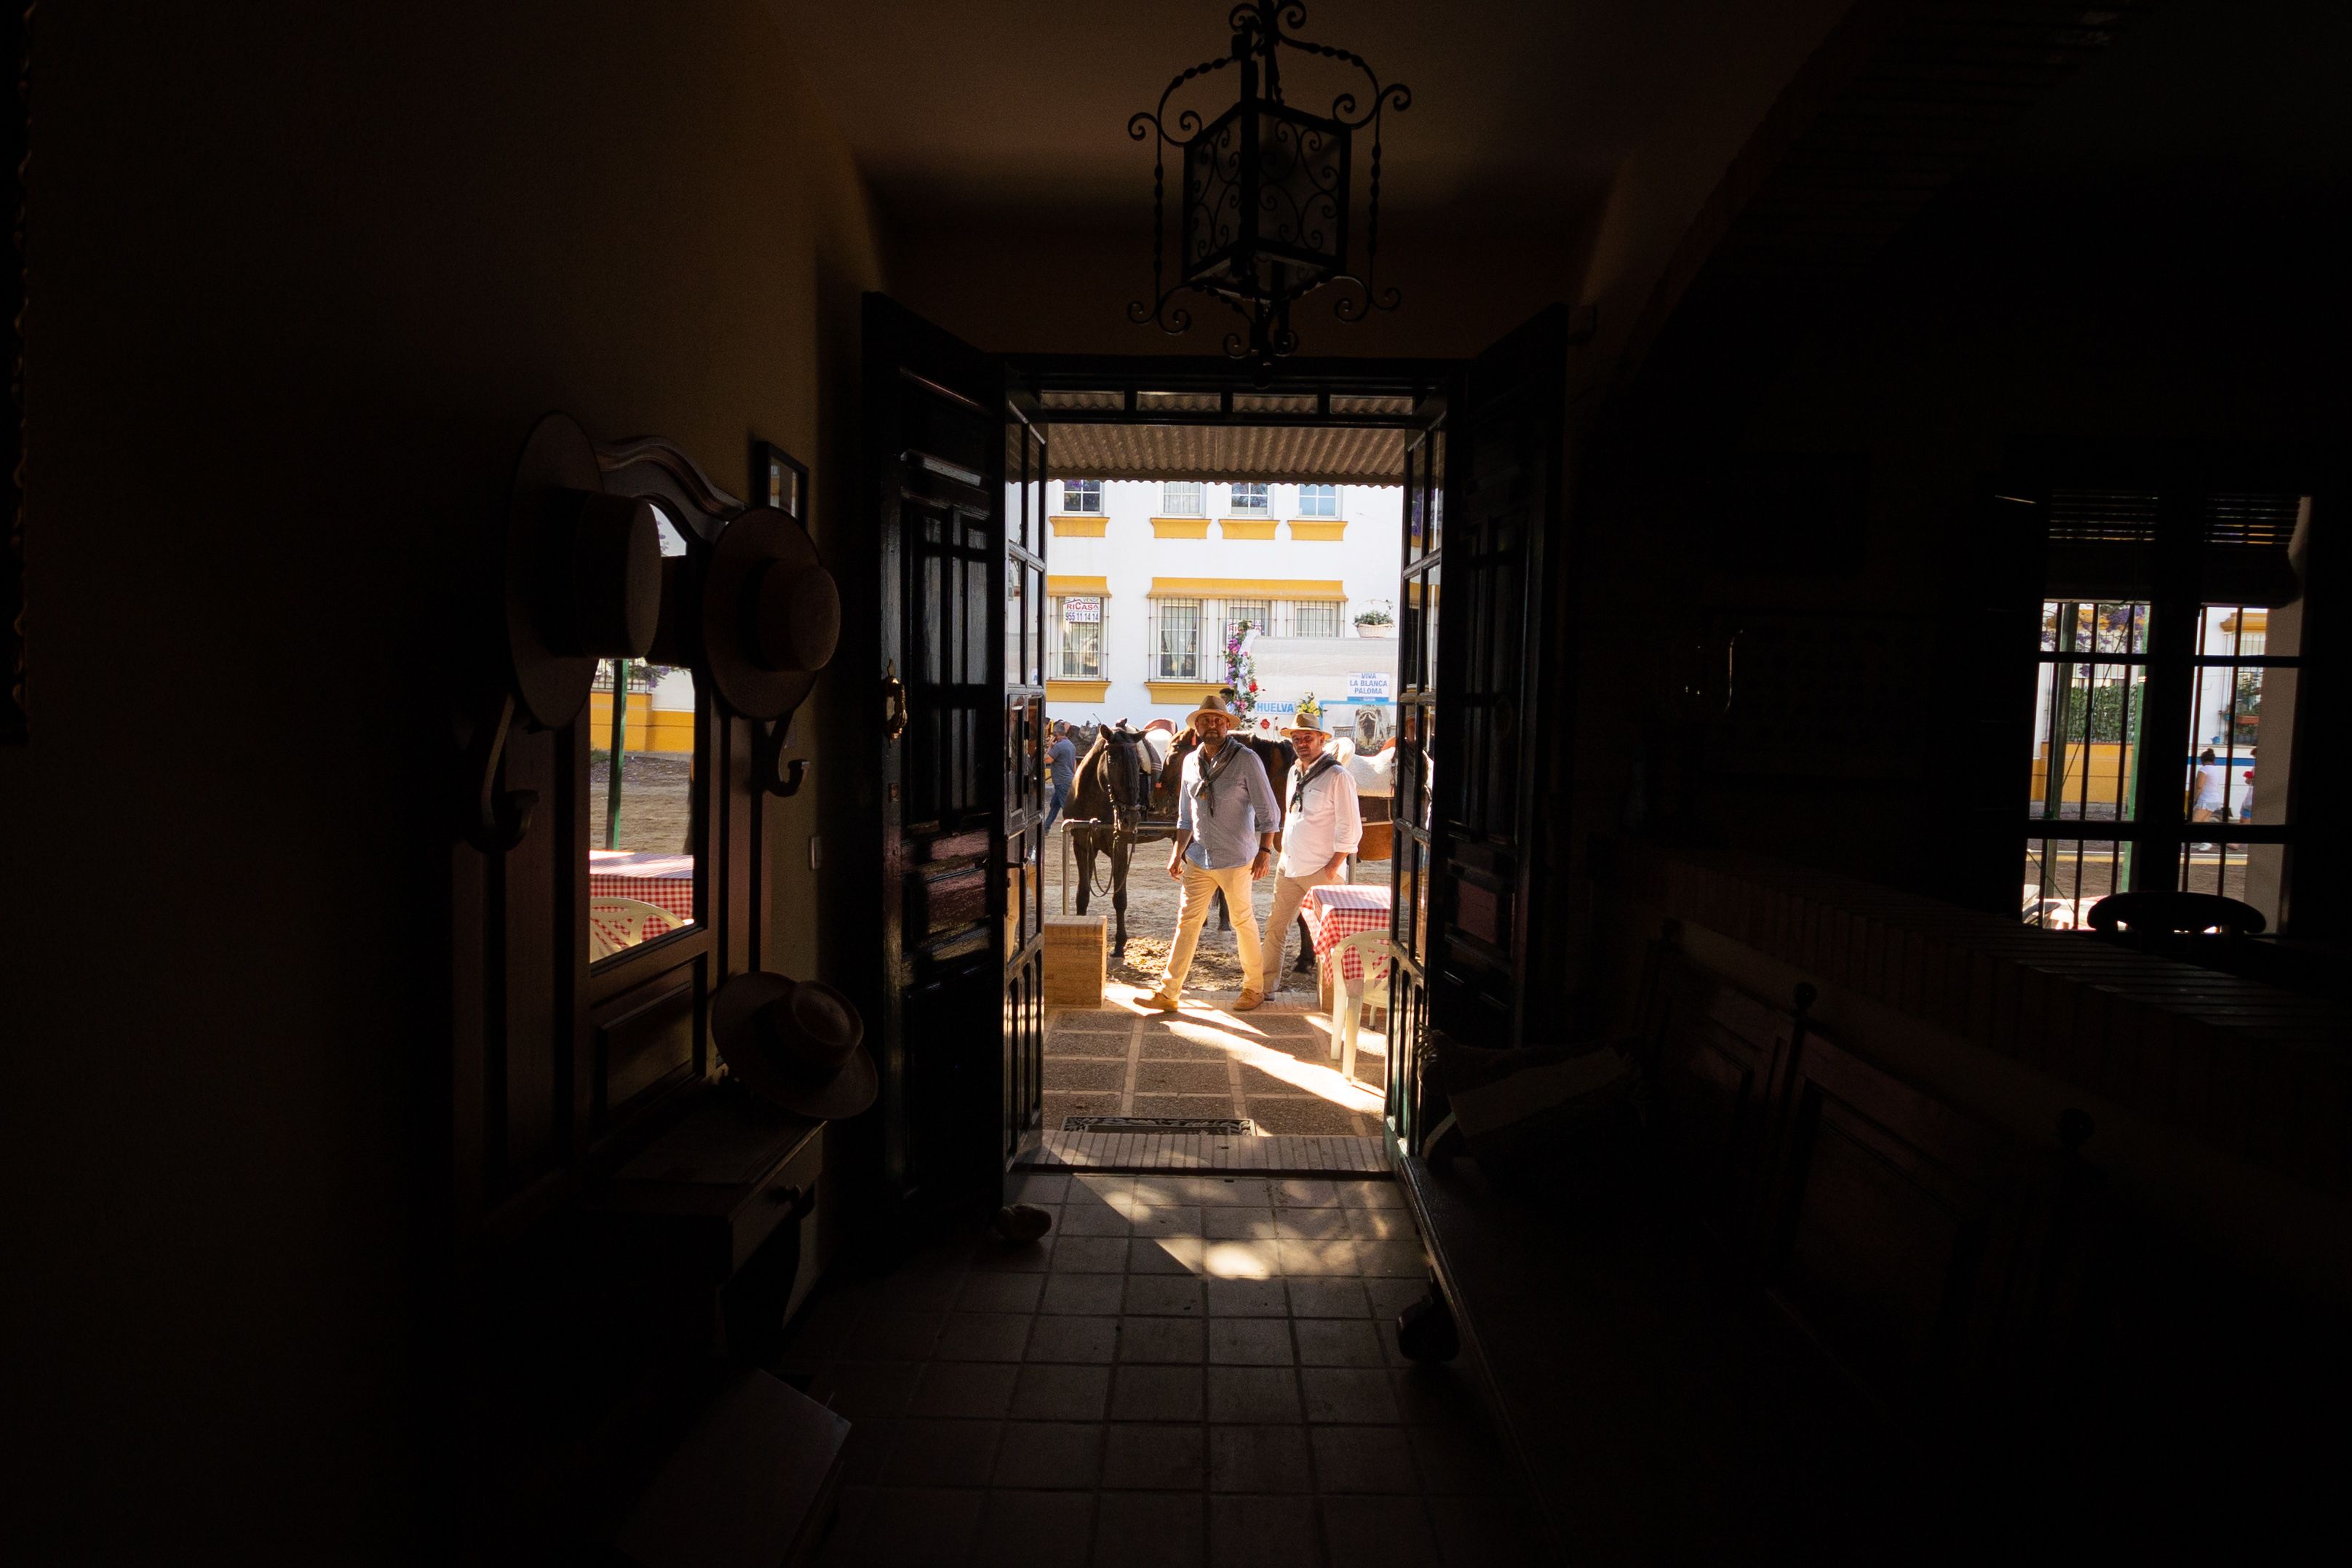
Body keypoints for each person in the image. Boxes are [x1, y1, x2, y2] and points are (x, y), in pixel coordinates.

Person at [1143, 693, 1279, 1013]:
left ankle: (1253, 988)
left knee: (1243, 922)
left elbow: (1269, 812)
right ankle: (1168, 993)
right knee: (1186, 923)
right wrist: (1177, 852)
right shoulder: (1190, 762)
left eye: (1219, 720)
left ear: (1227, 725)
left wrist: (1265, 850)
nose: (1213, 725)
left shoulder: (1247, 760)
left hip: (1237, 858)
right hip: (1199, 857)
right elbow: (1185, 816)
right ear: (1197, 727)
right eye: (1206, 720)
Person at [1259, 698, 1362, 998]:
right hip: (1289, 867)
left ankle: (1333, 997)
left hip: (1321, 872)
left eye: (1308, 738)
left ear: (1321, 740)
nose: (1302, 743)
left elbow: (1351, 829)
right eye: (1297, 739)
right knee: (1275, 929)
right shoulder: (1294, 772)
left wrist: (1332, 868)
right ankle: (1266, 988)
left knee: (1330, 937)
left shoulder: (1337, 776)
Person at [1044, 721, 1077, 837]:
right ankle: (1046, 828)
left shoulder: (1058, 746)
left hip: (1061, 781)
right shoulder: (1071, 745)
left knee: (1065, 807)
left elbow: (1047, 760)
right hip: (1068, 779)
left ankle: (1074, 830)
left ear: (1056, 735)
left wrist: (1049, 747)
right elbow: (1074, 763)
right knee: (1054, 805)